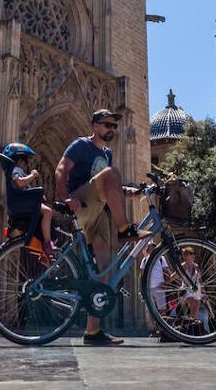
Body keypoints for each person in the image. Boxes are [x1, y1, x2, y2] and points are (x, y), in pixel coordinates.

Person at [54, 108, 143, 346]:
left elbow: (106, 185)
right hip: (81, 202)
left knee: (105, 271)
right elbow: (61, 169)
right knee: (112, 173)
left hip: (98, 212)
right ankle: (125, 229)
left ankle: (93, 332)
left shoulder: (107, 153)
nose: (111, 129)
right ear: (95, 126)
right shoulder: (80, 145)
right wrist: (64, 199)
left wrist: (124, 191)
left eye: (114, 126)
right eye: (106, 124)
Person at [3, 143, 55, 258]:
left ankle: (45, 254)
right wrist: (32, 175)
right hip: (24, 204)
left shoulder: (15, 170)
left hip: (24, 203)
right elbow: (20, 182)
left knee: (45, 224)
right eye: (26, 162)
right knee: (48, 212)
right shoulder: (15, 169)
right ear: (20, 161)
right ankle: (48, 243)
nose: (27, 166)